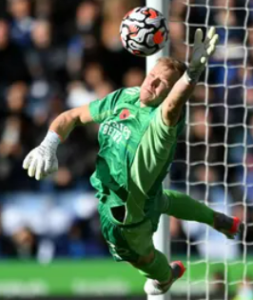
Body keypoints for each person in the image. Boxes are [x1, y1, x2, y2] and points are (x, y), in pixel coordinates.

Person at [23, 27, 241, 296]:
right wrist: (49, 145)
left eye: (161, 83)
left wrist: (191, 75)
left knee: (144, 261)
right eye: (151, 76)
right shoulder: (125, 97)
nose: (151, 84)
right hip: (145, 197)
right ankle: (216, 219)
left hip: (125, 218)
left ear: (171, 93)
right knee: (162, 200)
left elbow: (173, 106)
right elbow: (73, 116)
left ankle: (167, 275)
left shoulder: (163, 123)